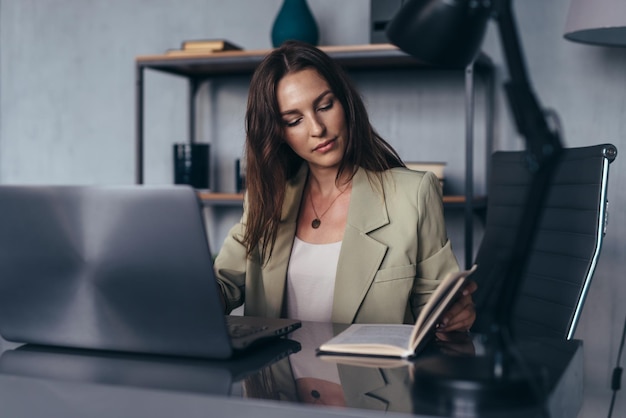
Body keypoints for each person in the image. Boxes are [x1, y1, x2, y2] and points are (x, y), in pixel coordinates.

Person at [214, 40, 476, 331]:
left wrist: (453, 317)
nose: (317, 129)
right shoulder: (267, 198)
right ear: (279, 134)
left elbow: (437, 313)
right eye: (294, 120)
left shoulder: (412, 196)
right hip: (277, 375)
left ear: (345, 102)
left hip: (374, 377)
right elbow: (221, 288)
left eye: (325, 106)